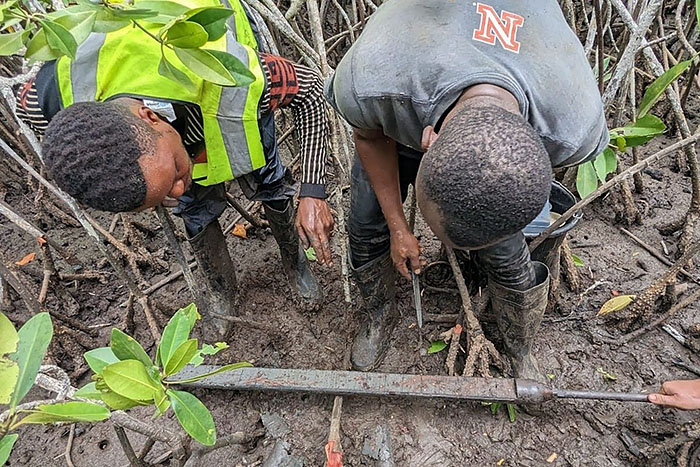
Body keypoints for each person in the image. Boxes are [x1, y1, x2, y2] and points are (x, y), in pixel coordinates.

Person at [326, 0, 609, 375]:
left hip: (507, 146)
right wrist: (398, 227)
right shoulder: (376, 79)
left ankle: (519, 346)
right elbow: (370, 138)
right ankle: (380, 314)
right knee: (365, 227)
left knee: (507, 251)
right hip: (403, 116)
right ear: (427, 139)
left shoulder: (572, 126)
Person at [17, 0, 334, 334]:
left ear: (150, 116)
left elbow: (311, 90)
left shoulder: (236, 77)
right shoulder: (52, 93)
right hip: (157, 122)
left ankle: (295, 264)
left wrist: (313, 191)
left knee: (268, 177)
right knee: (194, 207)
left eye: (172, 177)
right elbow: (36, 117)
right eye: (165, 194)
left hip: (212, 71)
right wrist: (160, 182)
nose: (178, 190)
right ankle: (221, 289)